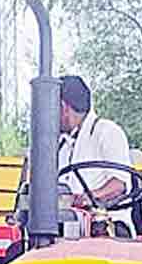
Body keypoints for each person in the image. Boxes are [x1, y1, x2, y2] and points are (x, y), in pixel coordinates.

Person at [57, 75, 137, 230]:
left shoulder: (107, 131)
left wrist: (88, 198)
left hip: (107, 227)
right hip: (73, 231)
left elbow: (119, 185)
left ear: (63, 107)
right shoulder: (61, 145)